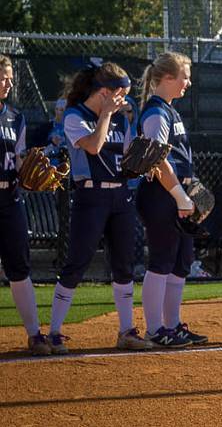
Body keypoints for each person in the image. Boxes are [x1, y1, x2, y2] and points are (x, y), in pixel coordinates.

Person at [47, 61, 148, 354]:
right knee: (77, 262)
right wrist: (105, 114)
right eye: (120, 95)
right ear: (104, 92)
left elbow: (127, 157)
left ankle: (126, 330)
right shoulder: (75, 114)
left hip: (120, 197)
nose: (124, 101)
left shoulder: (120, 119)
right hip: (90, 198)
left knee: (124, 264)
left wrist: (144, 164)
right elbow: (93, 146)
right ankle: (53, 331)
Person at [136, 52, 208, 349]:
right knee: (162, 260)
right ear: (166, 78)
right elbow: (157, 158)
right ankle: (155, 329)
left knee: (181, 261)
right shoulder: (156, 112)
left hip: (176, 195)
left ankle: (173, 325)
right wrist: (179, 194)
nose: (187, 82)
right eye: (183, 76)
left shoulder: (170, 111)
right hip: (161, 194)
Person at [0, 55, 50, 356]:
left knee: (19, 267)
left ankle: (34, 334)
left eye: (9, 78)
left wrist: (33, 171)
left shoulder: (14, 117)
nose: (8, 83)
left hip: (10, 198)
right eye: (3, 77)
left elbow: (18, 159)